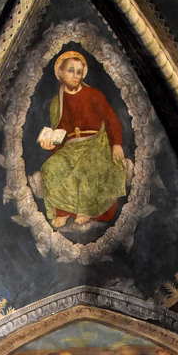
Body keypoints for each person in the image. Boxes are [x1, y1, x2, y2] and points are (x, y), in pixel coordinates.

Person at [38, 50, 127, 230]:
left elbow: (111, 119)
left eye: (79, 72)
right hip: (70, 148)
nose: (76, 75)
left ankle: (86, 209)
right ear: (60, 73)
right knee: (50, 167)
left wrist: (116, 143)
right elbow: (60, 133)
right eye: (71, 70)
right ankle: (63, 211)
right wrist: (49, 144)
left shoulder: (94, 94)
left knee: (86, 166)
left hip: (96, 143)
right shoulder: (57, 102)